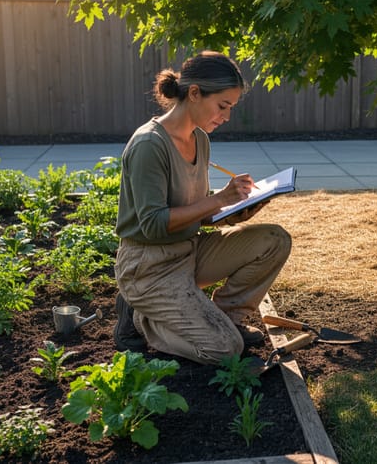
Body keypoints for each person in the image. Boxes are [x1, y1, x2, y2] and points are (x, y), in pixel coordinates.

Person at [113, 51, 292, 365]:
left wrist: (237, 208)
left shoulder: (200, 139)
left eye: (231, 108)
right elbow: (154, 224)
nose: (226, 116)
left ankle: (227, 318)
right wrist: (220, 199)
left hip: (189, 251)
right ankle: (142, 319)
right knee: (226, 350)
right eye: (222, 106)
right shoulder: (148, 145)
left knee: (275, 240)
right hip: (149, 266)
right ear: (194, 93)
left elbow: (198, 210)